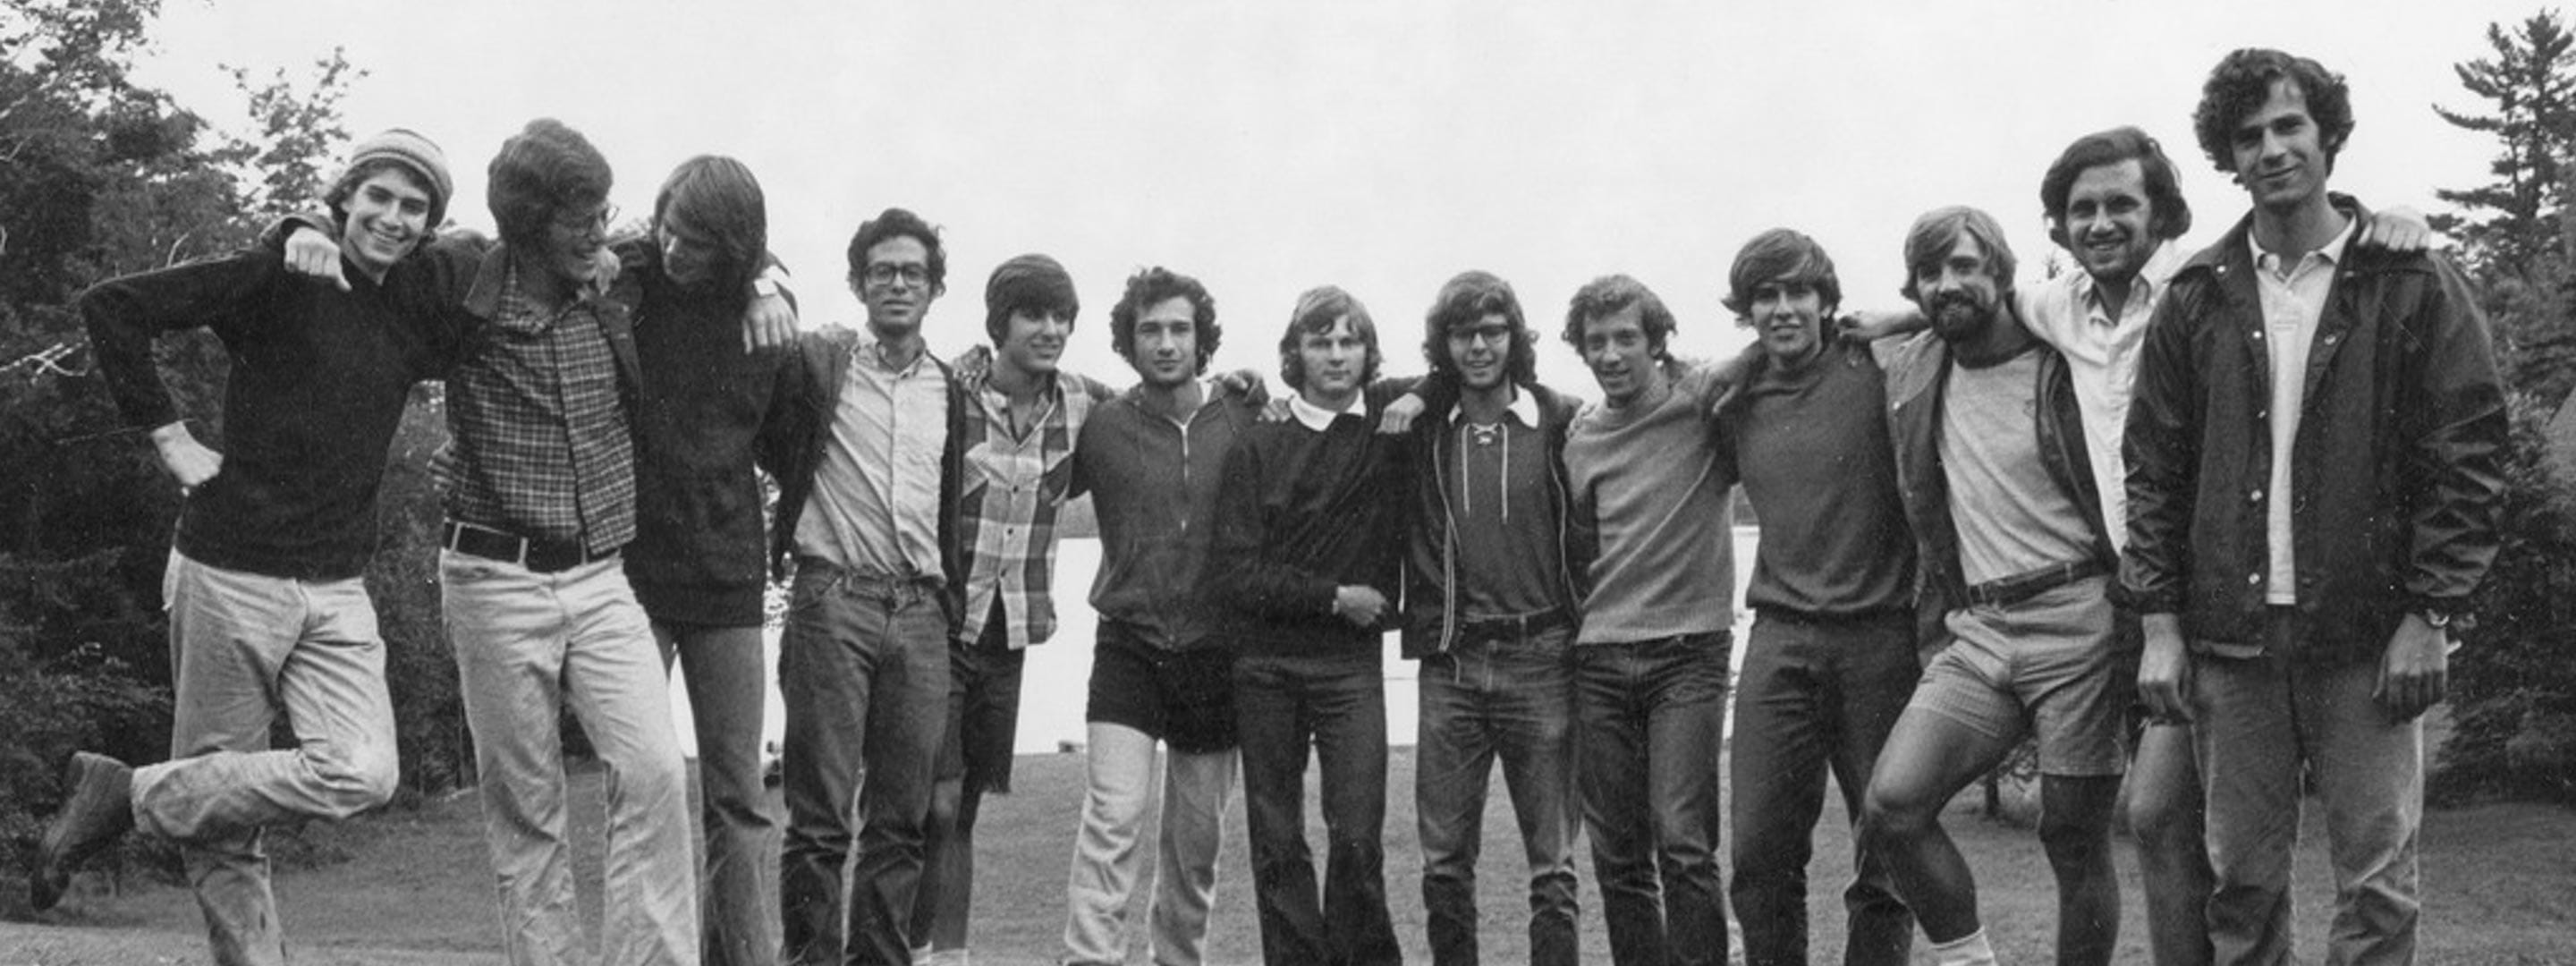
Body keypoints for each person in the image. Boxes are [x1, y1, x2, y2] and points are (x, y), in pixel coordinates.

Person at [1842, 126, 2429, 966]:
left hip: (2224, 596)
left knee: (2188, 826)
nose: (2103, 221)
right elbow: (1978, 302)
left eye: (2123, 203)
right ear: (2057, 228)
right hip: (2131, 606)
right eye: (2083, 209)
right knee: (2157, 824)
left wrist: (2381, 218)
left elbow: (2300, 256)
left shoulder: (2208, 290)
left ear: (2162, 211)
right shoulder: (2061, 307)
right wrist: (1907, 310)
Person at [38, 130, 457, 966]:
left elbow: (527, 243)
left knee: (363, 772)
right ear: (344, 198)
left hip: (338, 588)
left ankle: (125, 794)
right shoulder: (279, 273)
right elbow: (113, 307)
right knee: (225, 817)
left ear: (430, 224)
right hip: (227, 571)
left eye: (414, 206)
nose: (392, 217)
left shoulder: (416, 301)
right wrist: (167, 435)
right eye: (377, 196)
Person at [2124, 48, 2506, 966]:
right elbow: (2154, 474)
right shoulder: (2197, 296)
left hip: (2369, 639)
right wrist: (2162, 629)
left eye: (2289, 126)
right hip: (2232, 641)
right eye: (2248, 135)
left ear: (2327, 135)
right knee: (2242, 890)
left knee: (2377, 891)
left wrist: (2430, 614)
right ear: (2229, 153)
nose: (2271, 149)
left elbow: (2469, 458)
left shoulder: (2412, 280)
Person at [1860, 207, 2123, 966]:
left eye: (1967, 266)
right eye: (1932, 273)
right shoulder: (1914, 367)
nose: (1949, 284)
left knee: (2072, 838)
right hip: (1979, 630)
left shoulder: (2062, 363)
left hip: (2081, 620)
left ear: (2002, 274)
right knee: (1895, 806)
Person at [1714, 231, 1919, 966]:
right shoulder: (1732, 393)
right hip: (1780, 639)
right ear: (1748, 309)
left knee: (1891, 850)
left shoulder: (1878, 366)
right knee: (1760, 855)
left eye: (1799, 292)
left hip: (1881, 639)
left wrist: (1903, 316)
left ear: (1827, 301)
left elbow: (1978, 306)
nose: (1783, 308)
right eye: (1765, 295)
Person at [617, 155, 800, 966]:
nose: (671, 248)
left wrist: (769, 285)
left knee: (738, 794)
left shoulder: (763, 322)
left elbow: (794, 447)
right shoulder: (635, 280)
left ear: (733, 247)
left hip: (728, 576)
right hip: (628, 576)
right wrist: (770, 275)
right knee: (642, 784)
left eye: (692, 240)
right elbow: (609, 249)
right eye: (667, 227)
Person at [771, 207, 964, 966]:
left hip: (920, 612)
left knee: (903, 821)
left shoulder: (953, 388)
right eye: (881, 270)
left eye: (912, 272)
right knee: (818, 820)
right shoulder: (820, 364)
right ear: (857, 282)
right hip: (831, 601)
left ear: (933, 288)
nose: (896, 283)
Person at [911, 253, 1116, 966]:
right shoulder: (945, 389)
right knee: (927, 805)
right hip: (936, 627)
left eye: (1062, 317)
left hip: (1010, 633)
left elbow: (1159, 411)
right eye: (1034, 314)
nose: (1050, 329)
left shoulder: (1084, 402)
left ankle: (950, 957)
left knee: (961, 808)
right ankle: (902, 949)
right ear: (1001, 322)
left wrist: (1237, 389)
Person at [1058, 267, 1253, 966]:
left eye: (1179, 329)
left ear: (1202, 340)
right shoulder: (1101, 424)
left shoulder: (1243, 417)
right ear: (1129, 340)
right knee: (1111, 821)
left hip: (1214, 652)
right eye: (1151, 330)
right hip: (1129, 647)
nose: (1166, 343)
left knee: (1196, 847)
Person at [1211, 285, 1406, 966]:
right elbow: (1237, 572)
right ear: (1294, 352)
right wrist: (1333, 597)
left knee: (1356, 836)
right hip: (1264, 666)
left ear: (1367, 351)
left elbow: (1470, 368)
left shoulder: (1389, 420)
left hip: (1350, 670)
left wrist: (1419, 397)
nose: (1335, 354)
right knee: (1277, 839)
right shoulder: (1256, 443)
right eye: (1319, 341)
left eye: (1349, 340)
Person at [1399, 271, 1584, 966]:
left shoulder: (1560, 420)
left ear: (1515, 337)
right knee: (1444, 862)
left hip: (1543, 656)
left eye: (1492, 331)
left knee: (1554, 865)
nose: (1478, 346)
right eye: (1463, 333)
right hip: (1451, 662)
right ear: (1443, 345)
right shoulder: (1422, 429)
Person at [1557, 275, 1735, 966]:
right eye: (1596, 342)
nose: (1610, 354)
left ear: (1657, 343)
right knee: (1619, 854)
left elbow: (1745, 367)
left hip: (1690, 655)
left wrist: (1692, 368)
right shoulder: (1581, 441)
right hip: (1600, 658)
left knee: (1684, 841)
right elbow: (1581, 553)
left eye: (1626, 337)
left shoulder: (1705, 411)